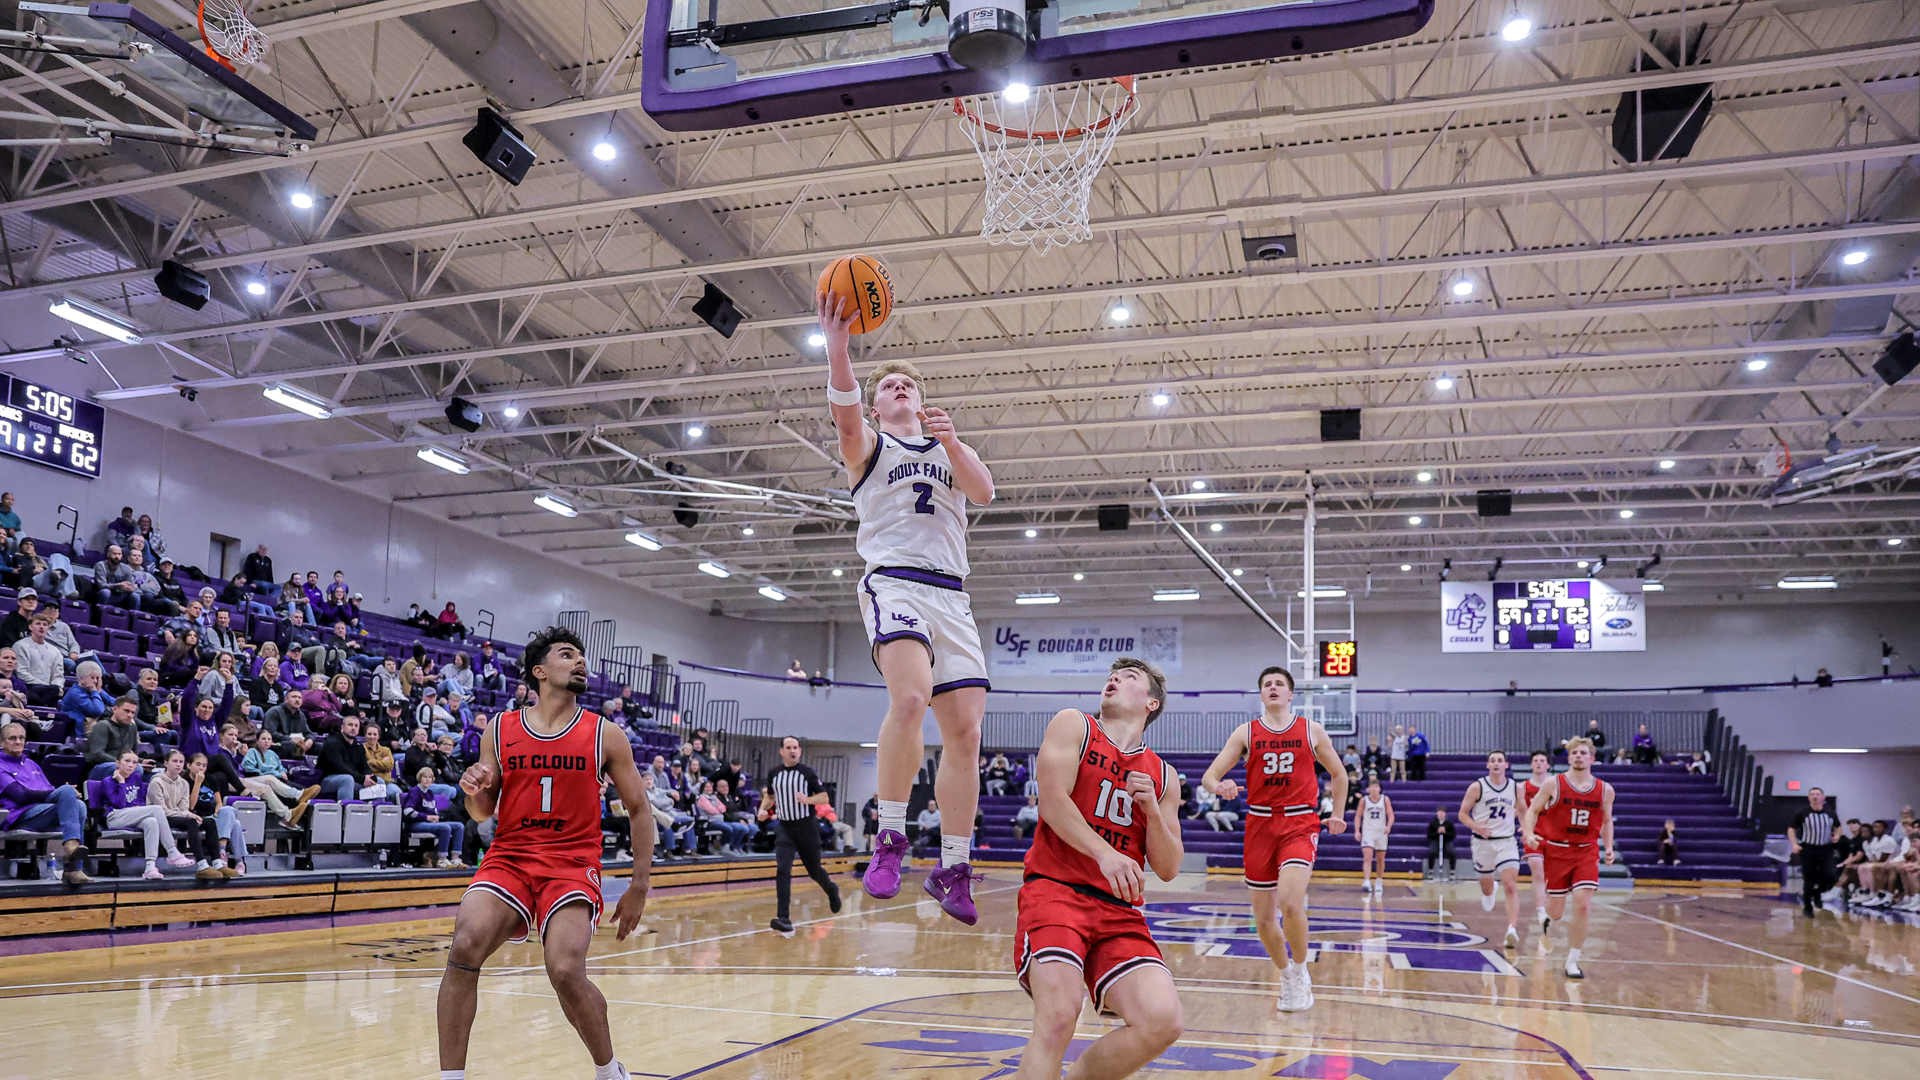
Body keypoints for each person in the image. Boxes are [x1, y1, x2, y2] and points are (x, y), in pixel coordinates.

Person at [823, 293, 996, 924]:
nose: (898, 388)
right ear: (877, 405)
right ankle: (890, 836)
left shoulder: (948, 451)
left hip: (952, 594)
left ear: (921, 402)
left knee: (967, 732)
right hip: (893, 582)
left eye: (907, 385)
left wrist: (952, 442)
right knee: (910, 698)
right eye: (888, 385)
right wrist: (839, 349)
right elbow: (844, 420)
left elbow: (985, 490)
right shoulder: (869, 448)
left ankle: (953, 866)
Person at [438, 625, 652, 1080]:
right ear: (539, 671)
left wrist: (638, 885)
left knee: (564, 967)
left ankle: (610, 1070)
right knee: (464, 945)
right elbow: (482, 813)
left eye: (581, 656)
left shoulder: (605, 734)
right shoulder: (500, 728)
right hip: (509, 857)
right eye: (566, 654)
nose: (579, 662)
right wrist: (473, 791)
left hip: (571, 863)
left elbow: (638, 809)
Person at [1014, 658, 1184, 1080]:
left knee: (1162, 1020)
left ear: (1151, 703)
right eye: (1113, 675)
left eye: (1130, 677)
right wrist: (1104, 852)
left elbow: (1168, 867)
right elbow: (1052, 802)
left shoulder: (1164, 776)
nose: (1115, 679)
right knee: (1058, 1015)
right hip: (1056, 891)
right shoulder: (1074, 725)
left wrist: (1151, 811)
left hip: (1118, 912)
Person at [1198, 665, 1348, 1011]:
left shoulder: (1311, 730)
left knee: (1291, 902)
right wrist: (1218, 786)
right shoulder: (1246, 733)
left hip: (1299, 822)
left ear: (1291, 694)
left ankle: (1301, 968)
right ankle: (1287, 976)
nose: (1274, 687)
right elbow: (1209, 775)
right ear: (1262, 694)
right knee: (1263, 917)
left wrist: (1337, 813)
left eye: (1280, 683)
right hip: (1260, 825)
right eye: (1267, 684)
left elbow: (1338, 774)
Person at [1522, 736, 1616, 979]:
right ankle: (1549, 924)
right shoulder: (1554, 784)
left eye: (1583, 753)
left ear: (1592, 759)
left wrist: (1608, 848)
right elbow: (1532, 810)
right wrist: (1530, 833)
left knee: (1583, 905)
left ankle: (1573, 959)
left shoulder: (1605, 790)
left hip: (1586, 851)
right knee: (1555, 911)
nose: (1578, 756)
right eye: (1574, 753)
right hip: (1557, 850)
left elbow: (1606, 821)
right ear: (1568, 757)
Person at [757, 735, 843, 932]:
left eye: (795, 747)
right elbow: (770, 797)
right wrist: (763, 810)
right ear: (782, 751)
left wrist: (807, 799)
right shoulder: (774, 774)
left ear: (800, 750)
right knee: (782, 870)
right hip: (785, 827)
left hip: (806, 827)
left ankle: (831, 889)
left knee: (814, 871)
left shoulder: (807, 773)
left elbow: (824, 797)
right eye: (788, 747)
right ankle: (783, 918)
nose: (792, 750)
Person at [0, 721, 93, 883]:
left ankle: (73, 869)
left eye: (21, 738)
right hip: (20, 815)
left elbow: (49, 792)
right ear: (2, 742)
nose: (18, 741)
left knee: (79, 805)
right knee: (67, 792)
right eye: (12, 738)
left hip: (43, 812)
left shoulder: (31, 764)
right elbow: (20, 796)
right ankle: (71, 849)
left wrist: (62, 794)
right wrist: (60, 792)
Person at [1455, 751, 1520, 945]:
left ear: (1506, 765)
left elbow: (1524, 810)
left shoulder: (1515, 788)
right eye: (1493, 761)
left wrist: (1527, 829)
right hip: (1482, 842)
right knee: (1486, 886)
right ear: (1488, 766)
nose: (1496, 764)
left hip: (1506, 841)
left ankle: (1512, 930)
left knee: (1510, 885)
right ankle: (1490, 891)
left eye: (1500, 760)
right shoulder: (1477, 787)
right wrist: (1477, 827)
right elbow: (1462, 814)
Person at [100, 750, 195, 879]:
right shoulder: (108, 781)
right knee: (156, 809)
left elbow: (139, 800)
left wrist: (138, 809)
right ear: (117, 763)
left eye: (134, 762)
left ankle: (150, 867)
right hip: (115, 817)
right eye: (127, 761)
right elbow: (119, 804)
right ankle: (172, 851)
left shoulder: (136, 778)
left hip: (133, 815)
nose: (131, 765)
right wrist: (121, 782)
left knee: (152, 822)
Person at [404, 768, 466, 868]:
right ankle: (442, 859)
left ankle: (455, 858)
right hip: (415, 824)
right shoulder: (414, 792)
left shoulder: (430, 793)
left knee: (459, 826)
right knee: (445, 828)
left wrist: (436, 817)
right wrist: (426, 817)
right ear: (420, 778)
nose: (427, 780)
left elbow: (433, 811)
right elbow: (407, 811)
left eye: (430, 777)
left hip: (428, 823)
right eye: (425, 777)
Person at [84, 691, 144, 779]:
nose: (129, 715)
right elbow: (96, 754)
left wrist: (142, 761)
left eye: (132, 712)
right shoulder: (103, 725)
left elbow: (133, 753)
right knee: (135, 768)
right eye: (126, 711)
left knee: (154, 773)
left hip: (122, 764)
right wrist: (122, 763)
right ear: (115, 709)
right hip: (100, 767)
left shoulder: (132, 728)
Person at [317, 714, 374, 802]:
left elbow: (364, 766)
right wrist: (362, 778)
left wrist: (369, 776)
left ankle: (374, 813)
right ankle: (346, 811)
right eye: (350, 725)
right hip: (329, 780)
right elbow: (339, 768)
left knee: (378, 782)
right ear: (342, 727)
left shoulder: (359, 746)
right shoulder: (332, 744)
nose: (353, 728)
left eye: (356, 726)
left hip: (353, 779)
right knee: (347, 779)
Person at [13, 613, 65, 705]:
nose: (41, 627)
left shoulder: (55, 651)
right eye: (38, 624)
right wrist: (47, 686)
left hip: (50, 689)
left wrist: (58, 686)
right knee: (53, 691)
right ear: (30, 627)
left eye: (44, 624)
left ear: (48, 628)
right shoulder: (20, 646)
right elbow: (21, 672)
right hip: (29, 686)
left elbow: (58, 675)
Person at [60, 661, 114, 744]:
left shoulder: (93, 688)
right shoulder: (76, 692)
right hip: (82, 729)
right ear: (81, 679)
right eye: (92, 678)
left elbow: (113, 702)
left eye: (98, 678)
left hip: (96, 724)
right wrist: (95, 691)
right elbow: (97, 710)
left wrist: (98, 691)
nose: (95, 681)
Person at [1357, 776, 1393, 898]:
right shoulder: (1364, 800)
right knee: (1367, 857)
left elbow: (1391, 815)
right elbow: (1358, 816)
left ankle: (1379, 880)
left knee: (1380, 859)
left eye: (1376, 787)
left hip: (1381, 831)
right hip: (1368, 831)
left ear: (1379, 789)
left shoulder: (1385, 799)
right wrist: (1357, 831)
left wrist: (1389, 826)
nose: (1373, 789)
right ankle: (1366, 881)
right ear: (1368, 789)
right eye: (1371, 787)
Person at [1426, 807, 1458, 879]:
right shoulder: (1433, 823)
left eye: (1442, 813)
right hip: (1436, 841)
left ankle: (1452, 872)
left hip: (1447, 841)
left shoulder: (1449, 823)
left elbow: (1453, 835)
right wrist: (1437, 833)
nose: (1440, 815)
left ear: (1445, 814)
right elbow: (1429, 835)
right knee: (1432, 852)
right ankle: (1430, 871)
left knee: (1451, 852)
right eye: (1439, 813)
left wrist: (1445, 833)